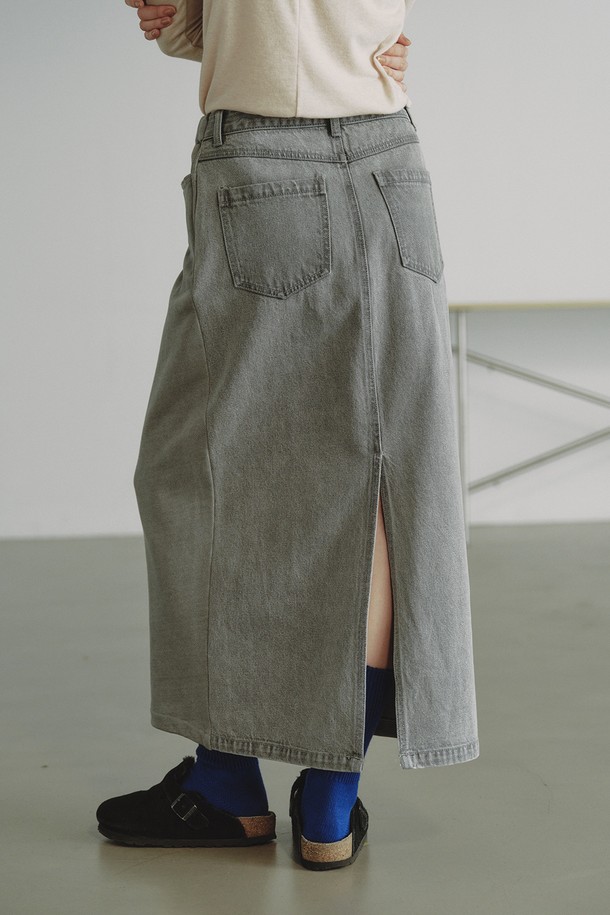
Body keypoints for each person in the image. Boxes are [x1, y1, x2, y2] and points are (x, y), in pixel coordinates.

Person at [96, 0, 479, 871]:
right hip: (389, 164)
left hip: (265, 160)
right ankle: (326, 803)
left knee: (204, 470)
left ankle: (231, 782)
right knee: (380, 479)